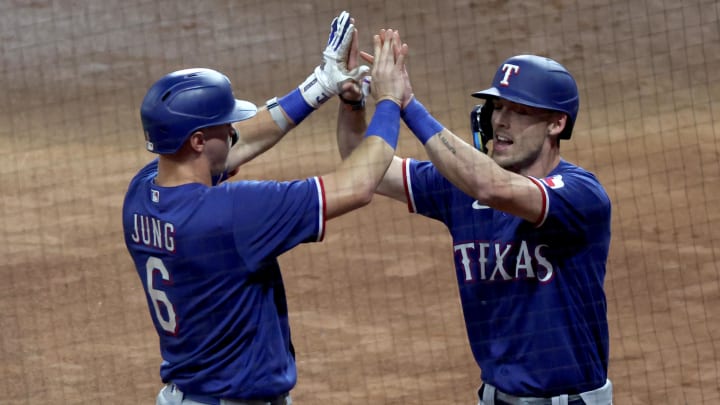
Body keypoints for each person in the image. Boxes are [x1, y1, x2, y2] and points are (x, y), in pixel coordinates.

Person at [122, 10, 409, 404]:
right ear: (199, 141)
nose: (234, 130)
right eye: (226, 125)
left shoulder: (141, 193)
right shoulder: (234, 213)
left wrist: (321, 85)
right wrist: (390, 101)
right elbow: (357, 187)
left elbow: (242, 143)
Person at [338, 47, 613, 404]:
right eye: (498, 107)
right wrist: (352, 102)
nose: (501, 120)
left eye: (520, 111)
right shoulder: (460, 188)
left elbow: (495, 188)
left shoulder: (580, 194)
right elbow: (363, 166)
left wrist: (407, 104)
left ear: (556, 124)